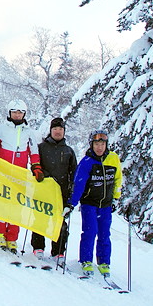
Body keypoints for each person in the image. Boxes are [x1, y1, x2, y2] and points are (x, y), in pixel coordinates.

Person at [66, 129, 124, 277]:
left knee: (105, 234)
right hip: (89, 204)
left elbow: (118, 179)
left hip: (105, 205)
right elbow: (78, 184)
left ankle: (104, 262)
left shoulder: (113, 159)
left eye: (102, 144)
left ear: (106, 145)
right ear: (91, 145)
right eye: (96, 144)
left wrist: (116, 198)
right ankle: (86, 260)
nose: (99, 147)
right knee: (90, 232)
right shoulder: (86, 162)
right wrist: (71, 203)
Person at [0, 99, 42, 254]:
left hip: (20, 175)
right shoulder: (0, 130)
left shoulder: (29, 132)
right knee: (1, 204)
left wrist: (36, 167)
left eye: (20, 112)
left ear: (24, 114)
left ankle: (12, 238)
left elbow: (33, 153)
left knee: (16, 206)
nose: (17, 115)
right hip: (3, 173)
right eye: (14, 112)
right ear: (9, 113)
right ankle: (0, 235)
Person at [33, 117, 77, 262]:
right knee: (40, 217)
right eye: (55, 129)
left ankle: (58, 251)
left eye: (60, 129)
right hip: (43, 190)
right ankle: (38, 247)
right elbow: (34, 165)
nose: (58, 132)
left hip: (62, 193)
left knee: (60, 222)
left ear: (64, 132)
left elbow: (74, 173)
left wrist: (71, 192)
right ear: (50, 131)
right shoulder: (41, 147)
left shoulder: (69, 151)